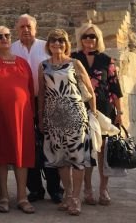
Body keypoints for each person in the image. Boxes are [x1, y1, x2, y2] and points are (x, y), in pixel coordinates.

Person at [38, 29, 96, 216]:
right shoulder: (43, 66)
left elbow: (90, 91)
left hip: (75, 117)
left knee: (77, 159)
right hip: (54, 118)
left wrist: (93, 114)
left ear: (66, 44)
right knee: (61, 159)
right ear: (48, 44)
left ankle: (76, 198)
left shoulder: (74, 63)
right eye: (53, 40)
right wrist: (41, 117)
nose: (57, 44)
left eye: (61, 41)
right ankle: (68, 194)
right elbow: (42, 94)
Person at [10, 14, 63, 203]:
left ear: (35, 28)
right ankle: (34, 189)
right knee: (27, 146)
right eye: (22, 26)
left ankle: (55, 188)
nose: (25, 30)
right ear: (17, 29)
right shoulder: (12, 48)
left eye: (28, 26)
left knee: (50, 145)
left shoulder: (46, 46)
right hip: (23, 104)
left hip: (48, 101)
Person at [72, 23, 123, 206]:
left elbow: (115, 87)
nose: (89, 40)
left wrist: (120, 112)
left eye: (92, 36)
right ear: (81, 39)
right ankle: (87, 188)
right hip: (80, 109)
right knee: (85, 151)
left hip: (104, 110)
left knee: (102, 152)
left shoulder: (106, 60)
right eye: (85, 36)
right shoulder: (73, 58)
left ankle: (103, 188)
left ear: (98, 39)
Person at [0, 26, 35, 214]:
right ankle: (3, 195)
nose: (4, 39)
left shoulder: (23, 63)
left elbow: (30, 90)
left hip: (23, 116)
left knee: (21, 156)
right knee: (1, 155)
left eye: (7, 36)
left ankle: (22, 197)